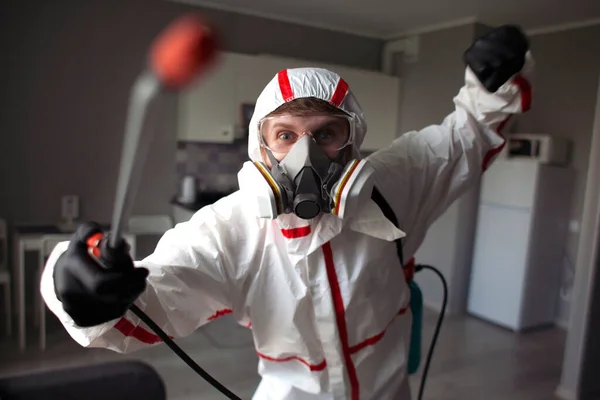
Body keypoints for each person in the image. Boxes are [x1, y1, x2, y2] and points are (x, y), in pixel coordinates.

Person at [41, 25, 533, 399]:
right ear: (262, 145)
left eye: (325, 134)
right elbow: (156, 293)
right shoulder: (231, 229)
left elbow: (464, 138)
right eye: (286, 136)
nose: (306, 154)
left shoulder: (395, 184)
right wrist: (79, 291)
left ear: (353, 140)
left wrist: (489, 86)